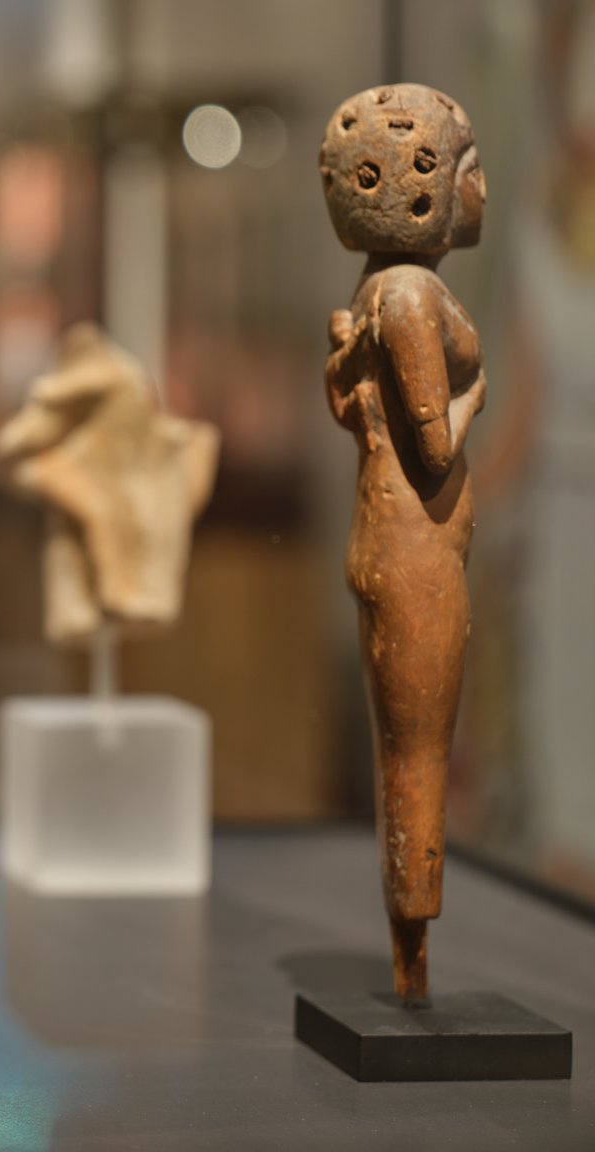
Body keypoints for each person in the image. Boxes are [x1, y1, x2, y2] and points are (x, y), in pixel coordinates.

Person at [319, 84, 488, 1007]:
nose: (482, 191)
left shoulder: (376, 289)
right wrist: (478, 393)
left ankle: (408, 946)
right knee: (418, 756)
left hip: (389, 538)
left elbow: (347, 408)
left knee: (409, 752)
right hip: (414, 551)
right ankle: (411, 956)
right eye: (469, 172)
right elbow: (433, 443)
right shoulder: (415, 292)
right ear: (419, 191)